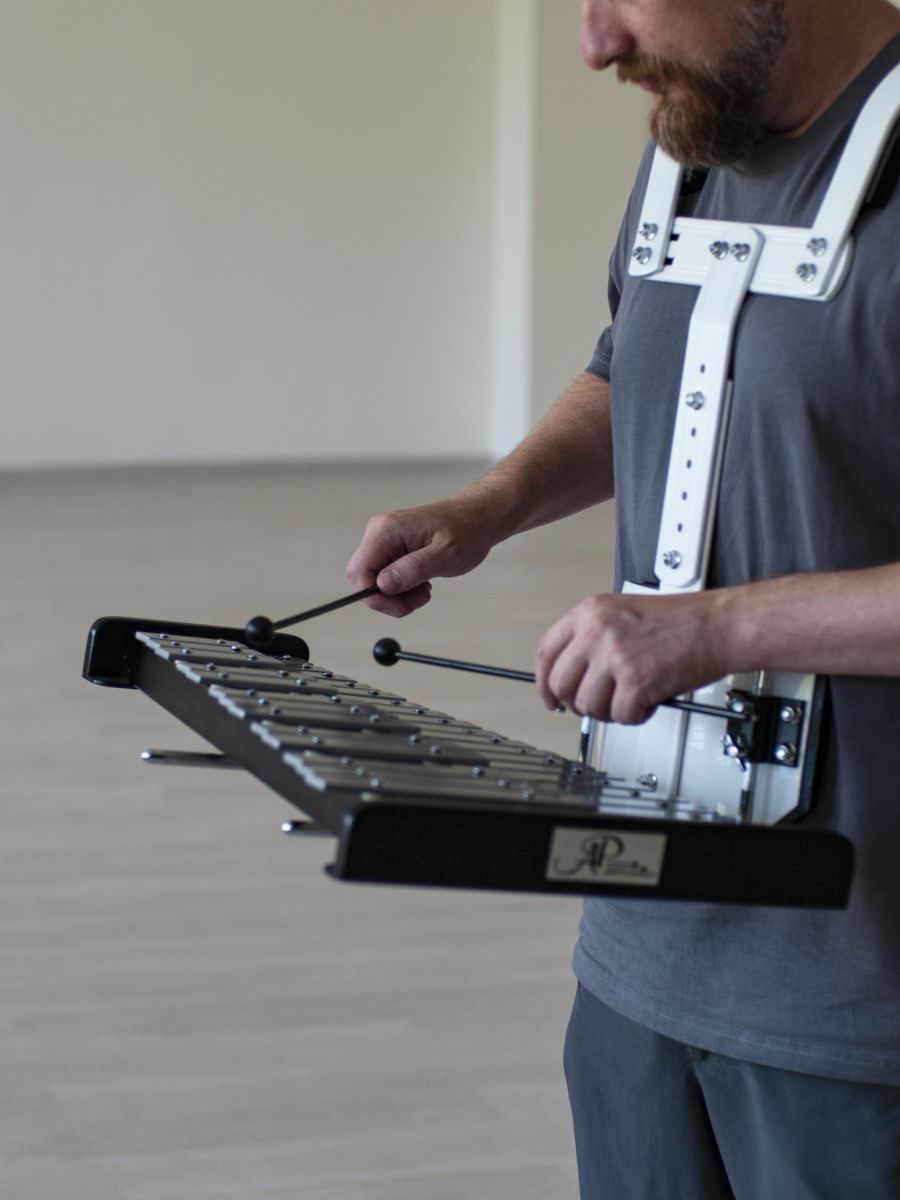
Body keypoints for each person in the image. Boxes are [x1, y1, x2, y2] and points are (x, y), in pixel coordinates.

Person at [346, 1, 900, 1196]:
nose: (595, 44)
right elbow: (634, 365)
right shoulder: (692, 140)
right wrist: (490, 506)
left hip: (862, 1004)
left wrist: (715, 628)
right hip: (640, 948)